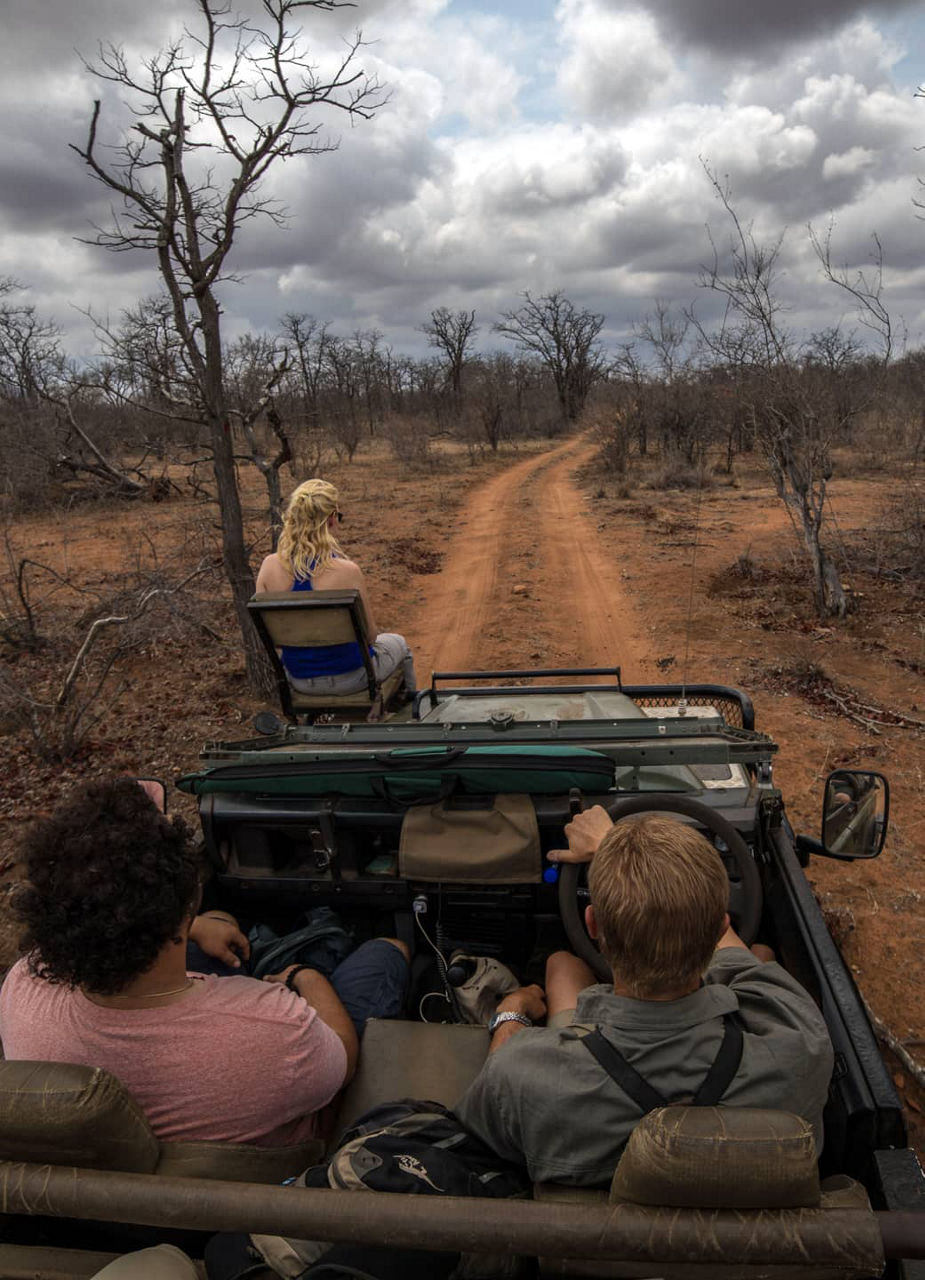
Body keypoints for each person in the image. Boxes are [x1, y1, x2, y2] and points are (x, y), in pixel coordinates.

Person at [0, 778, 409, 1147]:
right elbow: (344, 1056)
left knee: (225, 926)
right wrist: (306, 977)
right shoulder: (273, 1028)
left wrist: (195, 927)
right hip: (288, 1149)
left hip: (172, 1159)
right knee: (387, 952)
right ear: (188, 901)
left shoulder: (25, 984)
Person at [454, 808, 834, 1187]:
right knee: (762, 953)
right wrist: (617, 852)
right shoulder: (801, 1041)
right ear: (721, 926)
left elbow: (481, 1132)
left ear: (592, 925)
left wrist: (511, 1015)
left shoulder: (521, 1073)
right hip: (745, 1238)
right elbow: (738, 959)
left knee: (561, 964)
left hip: (596, 1236)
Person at [256, 477, 416, 698]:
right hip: (354, 677)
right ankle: (412, 710)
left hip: (299, 680)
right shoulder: (347, 571)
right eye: (338, 516)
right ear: (331, 519)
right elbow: (370, 636)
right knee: (400, 644)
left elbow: (272, 640)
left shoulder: (268, 567)